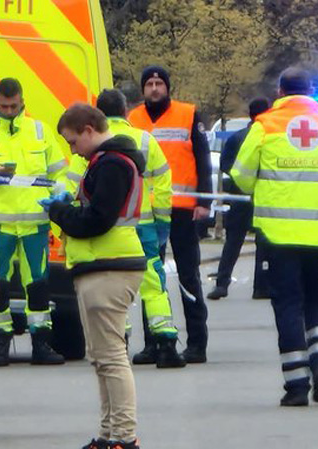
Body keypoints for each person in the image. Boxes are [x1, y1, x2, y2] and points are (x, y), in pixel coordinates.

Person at [230, 68, 318, 406]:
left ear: (280, 91)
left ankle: (297, 385)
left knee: (287, 303)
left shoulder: (265, 125)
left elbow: (241, 176)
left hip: (278, 232)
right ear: (311, 89)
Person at [43, 103, 146, 448]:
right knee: (102, 358)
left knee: (111, 358)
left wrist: (60, 212)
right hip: (104, 265)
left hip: (109, 266)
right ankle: (109, 435)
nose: (73, 150)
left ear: (89, 130)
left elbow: (97, 220)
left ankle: (124, 437)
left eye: (73, 142)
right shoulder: (109, 161)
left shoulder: (111, 164)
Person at [96, 89, 186, 369]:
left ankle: (118, 345)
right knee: (153, 284)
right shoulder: (145, 140)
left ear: (99, 114)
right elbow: (163, 184)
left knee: (114, 286)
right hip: (144, 225)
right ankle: (166, 343)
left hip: (109, 228)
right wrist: (162, 221)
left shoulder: (94, 141)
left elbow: (77, 185)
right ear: (125, 112)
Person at [128, 66, 212, 363]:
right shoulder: (133, 118)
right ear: (143, 89)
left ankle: (197, 343)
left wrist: (204, 200)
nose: (154, 88)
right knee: (151, 277)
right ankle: (154, 343)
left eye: (159, 83)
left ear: (167, 87)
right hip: (147, 211)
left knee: (188, 275)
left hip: (183, 208)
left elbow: (202, 159)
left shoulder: (187, 114)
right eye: (149, 84)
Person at [0, 78, 67, 367]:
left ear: (22, 102)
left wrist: (59, 194)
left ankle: (41, 342)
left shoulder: (39, 130)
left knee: (38, 285)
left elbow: (59, 172)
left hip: (34, 223)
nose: (9, 111)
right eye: (4, 106)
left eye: (13, 106)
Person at [207, 98, 272, 300]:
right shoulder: (269, 138)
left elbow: (225, 164)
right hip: (263, 197)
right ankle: (261, 287)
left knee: (233, 242)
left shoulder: (237, 137)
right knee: (263, 243)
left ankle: (222, 283)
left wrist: (241, 178)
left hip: (239, 196)